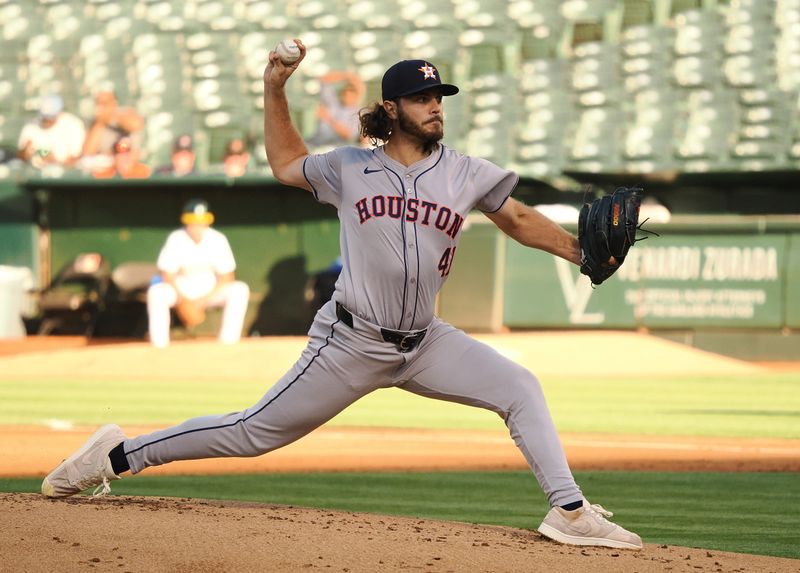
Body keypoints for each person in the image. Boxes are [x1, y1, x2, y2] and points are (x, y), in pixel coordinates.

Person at [40, 45, 642, 551]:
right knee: (254, 431)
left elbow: (514, 217)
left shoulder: (465, 171)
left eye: (440, 98)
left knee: (520, 388)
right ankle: (118, 455)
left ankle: (568, 512)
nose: (435, 107)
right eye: (422, 98)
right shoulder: (350, 167)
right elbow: (284, 164)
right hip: (350, 341)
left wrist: (576, 251)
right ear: (392, 108)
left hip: (426, 340)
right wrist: (276, 87)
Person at [145, 199, 250, 348]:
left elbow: (227, 277)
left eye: (201, 221)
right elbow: (167, 275)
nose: (197, 226)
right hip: (180, 290)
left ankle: (228, 343)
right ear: (185, 221)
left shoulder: (217, 239)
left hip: (210, 291)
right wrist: (183, 301)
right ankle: (159, 345)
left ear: (208, 221)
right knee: (157, 292)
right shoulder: (176, 238)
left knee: (239, 289)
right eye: (193, 221)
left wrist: (201, 302)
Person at [17, 95, 85, 168]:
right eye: (44, 117)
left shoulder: (73, 125)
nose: (46, 120)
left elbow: (77, 159)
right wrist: (25, 153)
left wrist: (55, 162)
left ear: (59, 113)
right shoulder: (30, 126)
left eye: (50, 117)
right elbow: (21, 156)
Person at [305, 70, 365, 148]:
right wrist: (346, 76)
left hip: (334, 149)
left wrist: (328, 118)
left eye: (351, 96)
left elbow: (348, 135)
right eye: (345, 94)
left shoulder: (359, 113)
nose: (348, 97)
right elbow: (324, 80)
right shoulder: (333, 103)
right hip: (314, 143)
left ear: (357, 97)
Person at [81, 91, 145, 161]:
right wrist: (100, 123)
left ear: (114, 102)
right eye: (98, 103)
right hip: (108, 164)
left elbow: (136, 125)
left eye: (104, 103)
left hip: (131, 162)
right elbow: (88, 152)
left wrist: (112, 115)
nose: (101, 107)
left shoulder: (126, 113)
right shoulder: (95, 122)